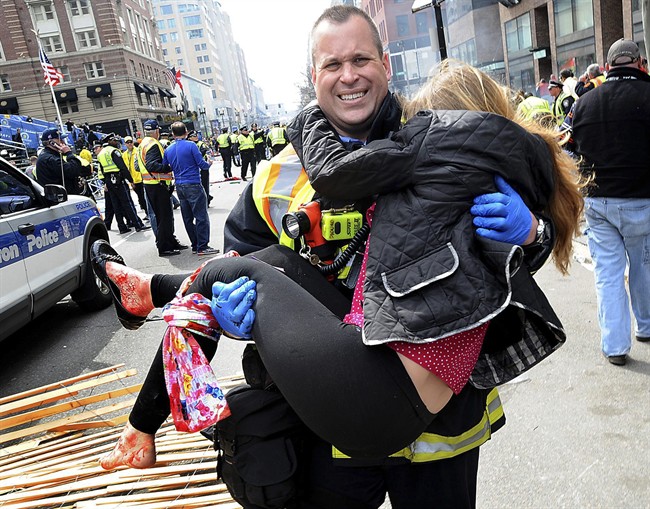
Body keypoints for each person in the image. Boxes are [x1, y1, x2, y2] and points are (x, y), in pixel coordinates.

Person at [98, 6, 562, 508]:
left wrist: (532, 233)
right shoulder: (277, 175)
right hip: (329, 425)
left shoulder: (435, 137)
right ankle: (147, 306)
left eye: (361, 58)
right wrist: (230, 316)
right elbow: (244, 270)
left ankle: (147, 293)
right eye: (332, 64)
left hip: (441, 426)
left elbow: (495, 269)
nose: (349, 76)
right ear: (312, 75)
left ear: (384, 63)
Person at [571, 38, 650, 366]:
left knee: (608, 274)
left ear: (608, 66)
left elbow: (571, 149)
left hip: (598, 203)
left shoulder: (585, 103)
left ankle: (615, 346)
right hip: (641, 201)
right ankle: (646, 326)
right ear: (639, 62)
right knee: (644, 267)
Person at [163, 122, 217, 256]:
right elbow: (202, 165)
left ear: (173, 134)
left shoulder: (168, 149)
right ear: (186, 132)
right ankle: (203, 246)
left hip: (179, 186)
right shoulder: (191, 145)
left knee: (187, 218)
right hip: (193, 183)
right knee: (201, 216)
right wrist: (209, 163)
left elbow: (165, 167)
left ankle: (195, 244)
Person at [136, 119, 183, 256]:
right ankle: (165, 247)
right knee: (164, 218)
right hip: (157, 184)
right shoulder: (153, 144)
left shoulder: (143, 144)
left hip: (151, 185)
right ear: (157, 131)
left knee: (163, 217)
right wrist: (168, 167)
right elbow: (152, 165)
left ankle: (171, 242)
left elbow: (140, 166)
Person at [97, 134, 150, 233]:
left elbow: (102, 170)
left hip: (109, 181)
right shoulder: (113, 151)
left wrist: (106, 182)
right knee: (127, 203)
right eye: (114, 140)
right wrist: (131, 180)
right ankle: (138, 225)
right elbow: (122, 167)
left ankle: (122, 227)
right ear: (109, 141)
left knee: (116, 205)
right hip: (117, 180)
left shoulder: (101, 153)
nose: (116, 142)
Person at [35, 128, 91, 195]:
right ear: (51, 143)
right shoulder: (50, 159)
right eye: (60, 140)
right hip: (61, 197)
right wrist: (69, 153)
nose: (63, 142)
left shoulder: (50, 156)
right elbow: (73, 170)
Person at [122, 136, 147, 219]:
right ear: (125, 144)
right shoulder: (124, 155)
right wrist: (130, 181)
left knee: (144, 197)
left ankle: (149, 213)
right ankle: (147, 213)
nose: (129, 144)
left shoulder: (138, 151)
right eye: (127, 142)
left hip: (141, 178)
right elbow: (126, 168)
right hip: (133, 180)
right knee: (140, 197)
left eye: (131, 142)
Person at [188, 130, 213, 205]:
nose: (196, 137)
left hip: (202, 167)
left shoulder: (201, 144)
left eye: (196, 136)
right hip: (193, 168)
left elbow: (205, 152)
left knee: (205, 184)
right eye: (194, 136)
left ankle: (206, 200)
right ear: (189, 138)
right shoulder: (188, 145)